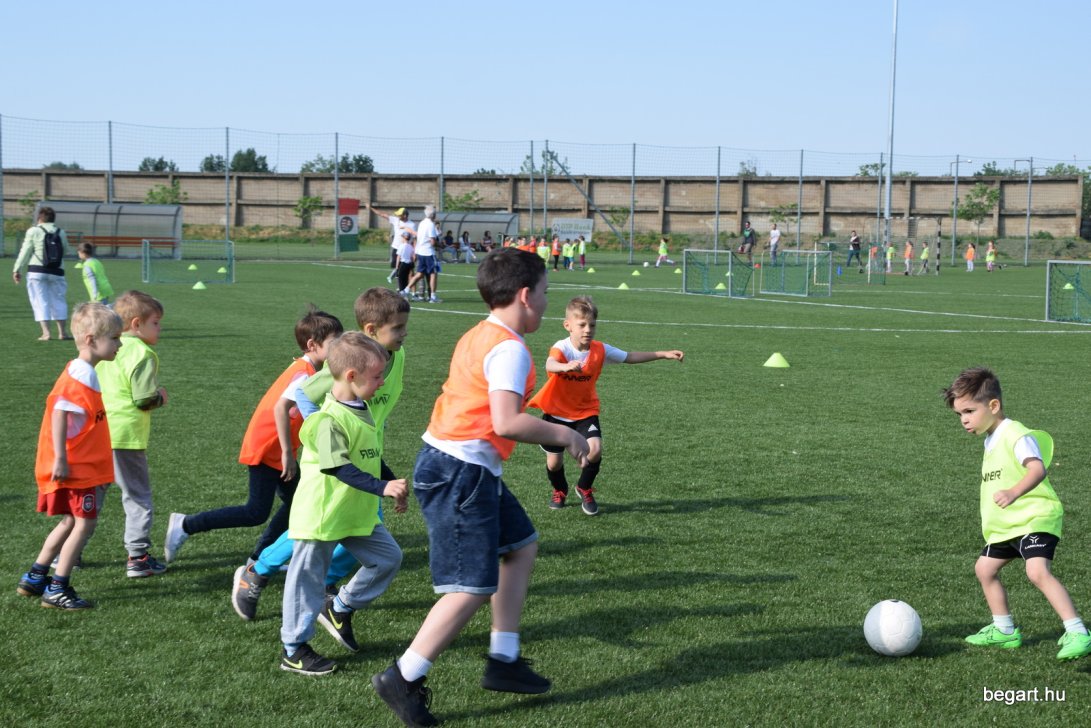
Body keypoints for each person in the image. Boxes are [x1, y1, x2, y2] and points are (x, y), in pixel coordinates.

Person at [371, 248, 590, 727]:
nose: (547, 302)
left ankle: (504, 657)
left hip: (463, 467)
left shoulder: (481, 332)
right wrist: (565, 434)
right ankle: (403, 677)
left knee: (520, 545)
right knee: (470, 586)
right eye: (546, 293)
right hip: (460, 472)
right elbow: (506, 421)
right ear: (526, 296)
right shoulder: (509, 348)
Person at [232, 288, 411, 622]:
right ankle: (258, 570)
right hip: (337, 459)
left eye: (404, 326)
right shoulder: (352, 360)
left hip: (367, 453)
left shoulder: (395, 357)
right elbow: (302, 394)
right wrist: (320, 431)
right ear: (371, 330)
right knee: (316, 526)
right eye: (397, 327)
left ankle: (325, 585)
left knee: (359, 524)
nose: (404, 333)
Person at [162, 308, 344, 565]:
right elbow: (281, 409)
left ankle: (259, 559)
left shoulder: (308, 369)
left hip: (277, 448)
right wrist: (287, 453)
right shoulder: (303, 373)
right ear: (313, 345)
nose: (340, 348)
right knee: (255, 512)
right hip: (268, 447)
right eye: (335, 342)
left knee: (297, 501)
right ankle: (186, 525)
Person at [279, 332, 408, 675]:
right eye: (377, 376)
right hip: (322, 514)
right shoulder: (328, 420)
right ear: (352, 376)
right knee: (306, 581)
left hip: (352, 511)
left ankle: (340, 606)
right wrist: (382, 487)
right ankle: (293, 649)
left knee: (388, 558)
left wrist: (391, 482)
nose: (382, 382)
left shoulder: (361, 409)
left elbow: (368, 456)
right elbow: (339, 467)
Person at [943, 367, 1091, 661]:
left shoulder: (1015, 434)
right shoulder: (990, 439)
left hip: (1035, 517)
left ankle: (1078, 632)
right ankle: (1004, 630)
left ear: (993, 405)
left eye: (969, 411)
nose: (964, 420)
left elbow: (1037, 469)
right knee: (984, 569)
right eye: (959, 414)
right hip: (1008, 526)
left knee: (1036, 571)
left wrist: (1013, 492)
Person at [528, 295, 683, 516]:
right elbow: (550, 364)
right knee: (554, 463)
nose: (587, 330)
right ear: (568, 326)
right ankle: (560, 490)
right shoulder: (562, 348)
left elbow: (629, 357)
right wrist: (565, 367)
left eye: (592, 325)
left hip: (585, 411)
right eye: (582, 325)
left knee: (595, 450)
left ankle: (584, 487)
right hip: (556, 412)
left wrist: (663, 354)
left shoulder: (600, 349)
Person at [17, 303, 123, 609]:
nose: (119, 344)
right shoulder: (80, 374)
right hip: (79, 469)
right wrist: (61, 458)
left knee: (69, 522)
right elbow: (59, 411)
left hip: (80, 466)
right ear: (91, 340)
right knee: (84, 524)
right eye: (114, 338)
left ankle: (35, 576)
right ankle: (57, 587)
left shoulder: (84, 371)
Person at [95, 290, 170, 577]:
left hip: (99, 430)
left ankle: (68, 552)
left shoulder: (107, 347)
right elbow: (143, 398)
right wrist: (160, 397)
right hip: (126, 435)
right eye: (156, 323)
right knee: (137, 494)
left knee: (93, 493)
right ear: (137, 324)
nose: (159, 329)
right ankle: (138, 556)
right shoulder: (142, 353)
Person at [12, 206, 71, 341]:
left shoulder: (33, 231)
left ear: (39, 218)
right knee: (59, 300)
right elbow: (65, 250)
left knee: (40, 301)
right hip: (57, 270)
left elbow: (25, 251)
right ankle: (62, 333)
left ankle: (46, 333)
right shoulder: (61, 232)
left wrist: (17, 269)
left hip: (37, 270)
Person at [404, 205, 440, 303]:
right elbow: (433, 242)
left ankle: (405, 290)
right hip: (428, 253)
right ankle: (433, 297)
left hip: (421, 252)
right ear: (433, 215)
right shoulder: (431, 224)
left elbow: (419, 237)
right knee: (433, 274)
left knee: (420, 274)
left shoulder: (422, 223)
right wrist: (439, 244)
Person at [370, 205, 413, 284]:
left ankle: (401, 285)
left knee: (405, 269)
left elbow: (414, 239)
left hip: (406, 250)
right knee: (397, 268)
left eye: (400, 215)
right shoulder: (395, 220)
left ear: (405, 215)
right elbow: (382, 214)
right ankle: (399, 285)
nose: (398, 216)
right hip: (396, 248)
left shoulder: (412, 225)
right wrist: (370, 208)